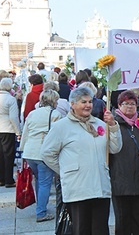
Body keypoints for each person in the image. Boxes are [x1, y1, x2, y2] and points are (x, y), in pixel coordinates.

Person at [41, 87, 122, 235]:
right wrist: (66, 170)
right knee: (81, 230)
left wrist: (112, 126)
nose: (88, 105)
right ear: (72, 104)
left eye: (90, 101)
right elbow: (47, 153)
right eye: (83, 102)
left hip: (100, 187)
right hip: (78, 189)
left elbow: (115, 148)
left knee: (100, 230)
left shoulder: (99, 124)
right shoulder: (61, 126)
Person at [109, 90, 139, 235]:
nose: (129, 106)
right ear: (119, 105)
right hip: (120, 181)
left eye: (133, 103)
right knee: (123, 221)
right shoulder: (112, 124)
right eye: (125, 103)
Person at [20, 90, 62, 222]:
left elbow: (25, 132)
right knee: (45, 182)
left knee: (39, 180)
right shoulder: (55, 114)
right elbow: (59, 134)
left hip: (30, 151)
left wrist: (22, 151)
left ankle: (41, 207)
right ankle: (41, 212)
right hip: (43, 152)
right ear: (54, 100)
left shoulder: (32, 113)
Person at [0, 78, 21, 187]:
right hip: (7, 129)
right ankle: (8, 179)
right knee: (8, 155)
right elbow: (13, 117)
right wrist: (18, 131)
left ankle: (1, 178)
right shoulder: (11, 99)